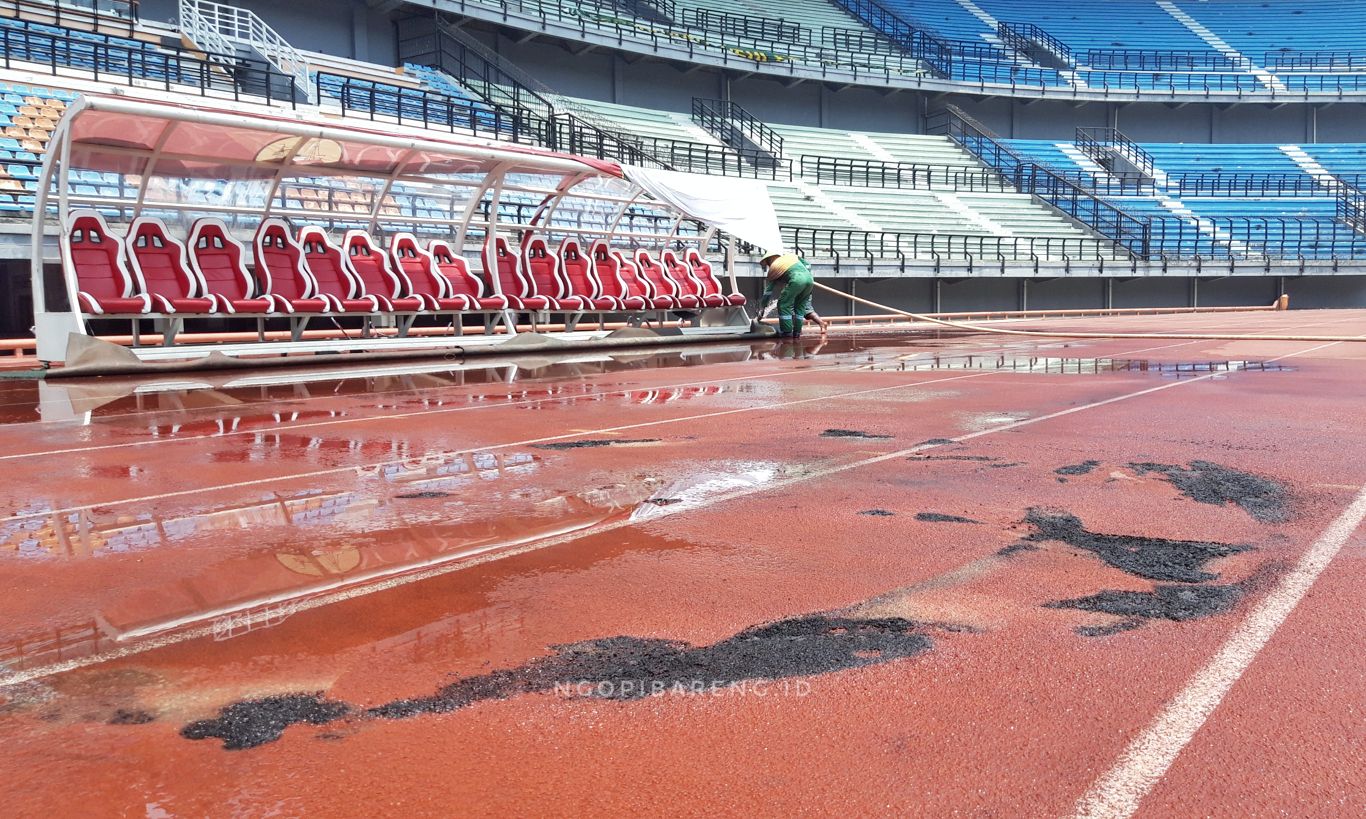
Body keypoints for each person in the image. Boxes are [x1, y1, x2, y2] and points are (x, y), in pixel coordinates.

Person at [755, 252, 817, 338]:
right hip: (810, 280)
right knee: (800, 306)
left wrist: (762, 307)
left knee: (783, 304)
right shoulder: (790, 258)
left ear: (769, 260)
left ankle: (787, 332)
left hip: (797, 280)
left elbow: (768, 292)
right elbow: (807, 264)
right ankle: (797, 332)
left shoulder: (774, 267)